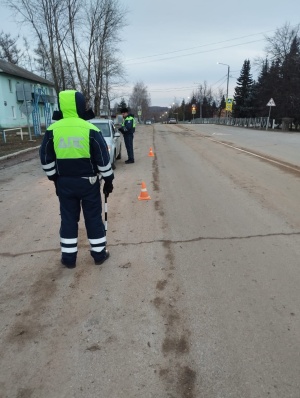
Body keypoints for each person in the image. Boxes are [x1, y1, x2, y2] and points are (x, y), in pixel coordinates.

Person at [40, 89, 114, 269]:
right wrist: (109, 180)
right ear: (80, 106)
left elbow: (45, 158)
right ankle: (98, 255)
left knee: (68, 219)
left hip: (64, 182)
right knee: (93, 219)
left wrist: (53, 178)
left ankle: (68, 259)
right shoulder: (90, 129)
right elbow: (103, 159)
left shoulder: (52, 130)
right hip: (88, 182)